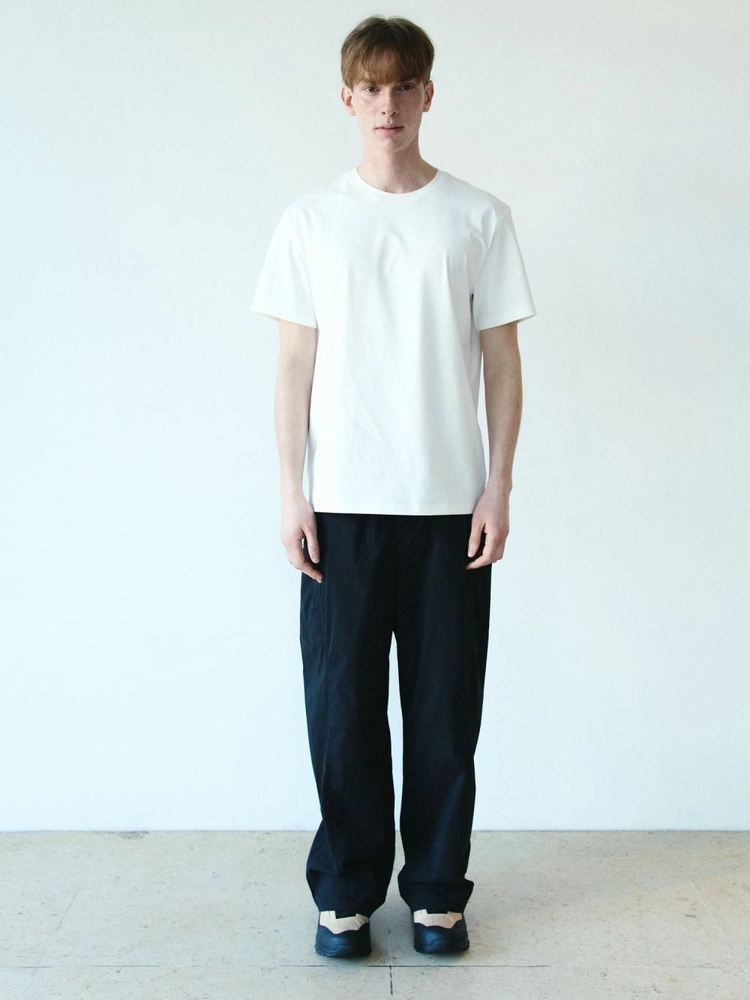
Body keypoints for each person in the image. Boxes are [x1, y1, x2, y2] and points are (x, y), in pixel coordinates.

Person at [251, 15, 536, 959]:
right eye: (370, 88)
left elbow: (503, 362)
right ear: (347, 98)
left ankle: (438, 895)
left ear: (428, 95)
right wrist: (291, 492)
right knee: (342, 713)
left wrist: (498, 487)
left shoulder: (478, 216)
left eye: (403, 86)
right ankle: (344, 893)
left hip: (449, 504)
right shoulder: (311, 221)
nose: (387, 104)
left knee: (445, 713)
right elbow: (294, 365)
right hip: (341, 505)